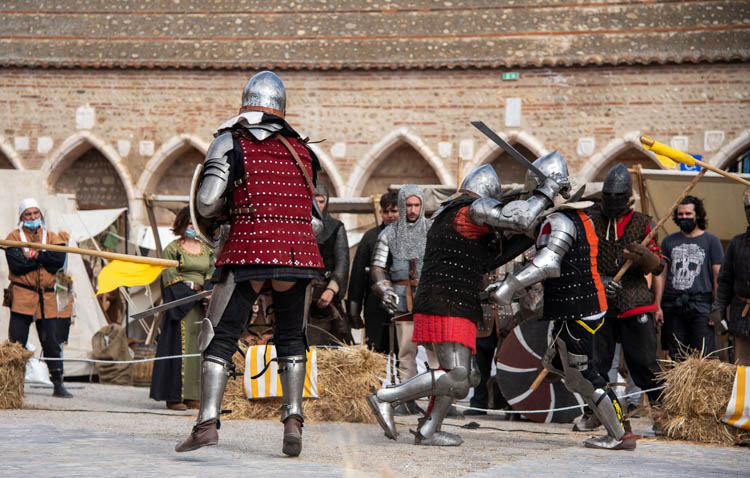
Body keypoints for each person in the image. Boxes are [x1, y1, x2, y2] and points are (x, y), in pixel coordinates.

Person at [367, 157, 568, 446]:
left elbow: (495, 253)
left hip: (453, 300)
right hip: (446, 301)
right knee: (457, 375)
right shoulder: (472, 207)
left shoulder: (453, 215)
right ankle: (385, 398)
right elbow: (521, 219)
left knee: (466, 376)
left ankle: (428, 430)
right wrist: (548, 190)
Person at [176, 71, 324, 457]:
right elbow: (316, 220)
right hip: (299, 253)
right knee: (291, 338)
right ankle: (293, 419)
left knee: (219, 336)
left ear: (245, 104)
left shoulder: (229, 142)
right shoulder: (303, 150)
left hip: (249, 249)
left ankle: (207, 423)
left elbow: (206, 203)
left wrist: (233, 211)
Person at [487, 174, 636, 450]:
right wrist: (510, 285)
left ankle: (619, 435)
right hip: (576, 307)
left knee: (583, 375)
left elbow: (546, 265)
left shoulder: (558, 222)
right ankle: (615, 426)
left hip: (578, 309)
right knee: (564, 368)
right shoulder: (581, 220)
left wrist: (509, 287)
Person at [575, 163, 664, 430]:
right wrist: (599, 279)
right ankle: (597, 414)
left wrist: (645, 258)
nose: (612, 201)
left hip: (634, 302)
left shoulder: (644, 224)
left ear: (627, 198)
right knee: (595, 366)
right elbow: (580, 259)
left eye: (617, 197)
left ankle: (663, 417)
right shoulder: (590, 220)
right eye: (608, 196)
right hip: (599, 302)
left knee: (645, 364)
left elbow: (659, 265)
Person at [369, 184, 434, 415]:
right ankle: (407, 400)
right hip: (402, 300)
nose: (413, 210)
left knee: (436, 354)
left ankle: (438, 401)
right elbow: (377, 268)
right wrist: (385, 290)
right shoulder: (389, 233)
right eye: (408, 205)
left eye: (416, 205)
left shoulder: (433, 230)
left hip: (429, 301)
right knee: (406, 354)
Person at [4, 198, 73, 398]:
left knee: (51, 340)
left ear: (40, 215)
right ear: (22, 217)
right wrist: (42, 258)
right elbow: (17, 265)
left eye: (35, 213)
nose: (33, 217)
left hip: (47, 296)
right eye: (28, 214)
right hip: (23, 294)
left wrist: (35, 257)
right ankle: (13, 386)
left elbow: (57, 262)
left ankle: (58, 383)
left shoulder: (52, 237)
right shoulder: (13, 237)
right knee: (17, 341)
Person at [150, 207, 215, 410]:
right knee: (179, 348)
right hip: (181, 307)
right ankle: (175, 396)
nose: (191, 228)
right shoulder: (172, 249)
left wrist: (207, 294)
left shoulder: (208, 251)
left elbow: (212, 274)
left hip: (200, 306)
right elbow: (170, 277)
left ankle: (193, 395)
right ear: (181, 225)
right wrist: (192, 290)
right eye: (188, 225)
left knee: (198, 348)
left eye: (194, 225)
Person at [654, 195, 723, 360]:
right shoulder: (669, 241)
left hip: (702, 308)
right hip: (674, 307)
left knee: (704, 358)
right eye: (681, 214)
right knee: (677, 357)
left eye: (688, 214)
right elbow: (661, 275)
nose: (684, 217)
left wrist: (717, 309)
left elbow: (718, 277)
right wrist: (658, 306)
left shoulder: (711, 241)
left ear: (697, 215)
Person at [346, 191, 398, 353]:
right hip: (375, 303)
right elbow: (358, 276)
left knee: (402, 355)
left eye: (394, 211)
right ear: (381, 213)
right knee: (376, 354)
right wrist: (354, 312)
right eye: (386, 211)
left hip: (403, 303)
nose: (389, 215)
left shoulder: (410, 237)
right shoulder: (371, 237)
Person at [307, 183, 351, 345]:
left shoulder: (336, 227)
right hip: (301, 291)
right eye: (314, 201)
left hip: (326, 293)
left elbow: (342, 263)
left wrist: (331, 289)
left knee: (329, 340)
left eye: (321, 201)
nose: (317, 205)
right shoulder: (299, 226)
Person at [714, 188, 750, 365]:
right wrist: (718, 310)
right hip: (741, 314)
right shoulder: (737, 243)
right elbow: (725, 280)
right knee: (742, 368)